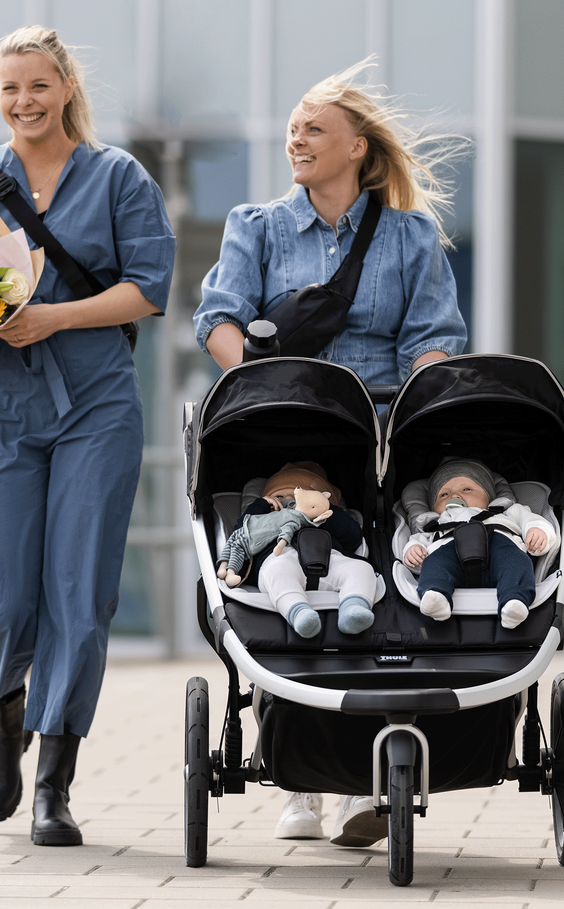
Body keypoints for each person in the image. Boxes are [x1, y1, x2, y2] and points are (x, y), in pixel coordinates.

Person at [192, 62, 467, 845]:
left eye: (313, 128)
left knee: (382, 582)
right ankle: (305, 780)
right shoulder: (257, 224)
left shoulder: (409, 235)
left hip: (381, 425)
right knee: (294, 563)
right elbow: (217, 316)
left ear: (356, 147)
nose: (296, 139)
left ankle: (358, 781)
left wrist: (410, 420)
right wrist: (255, 383)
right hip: (288, 417)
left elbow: (433, 341)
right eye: (292, 128)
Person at [0, 26, 175, 847]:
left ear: (65, 86)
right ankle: (6, 722)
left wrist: (50, 316)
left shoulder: (117, 178)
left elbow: (148, 289)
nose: (23, 102)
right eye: (8, 89)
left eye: (37, 85)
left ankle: (55, 781)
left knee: (79, 589)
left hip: (97, 403)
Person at [220, 462, 378, 637]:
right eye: (279, 496)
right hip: (280, 557)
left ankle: (353, 610)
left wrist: (322, 508)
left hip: (330, 558)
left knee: (362, 569)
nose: (289, 500)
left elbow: (353, 537)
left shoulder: (326, 517)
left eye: (297, 495)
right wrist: (261, 505)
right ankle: (300, 614)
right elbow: (242, 535)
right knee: (276, 571)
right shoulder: (264, 518)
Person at [401, 458, 557, 629]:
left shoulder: (507, 512)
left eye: (466, 489)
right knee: (434, 564)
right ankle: (436, 595)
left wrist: (537, 532)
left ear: (489, 495)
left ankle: (514, 601)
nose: (455, 496)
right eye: (444, 494)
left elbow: (533, 521)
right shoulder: (434, 525)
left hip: (500, 552)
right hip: (450, 558)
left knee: (517, 562)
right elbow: (416, 545)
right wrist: (413, 551)